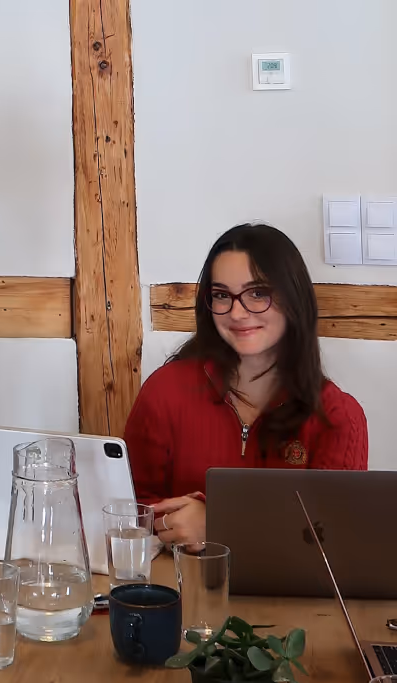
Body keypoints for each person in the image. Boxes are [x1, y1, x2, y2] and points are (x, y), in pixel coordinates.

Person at [124, 223, 368, 546]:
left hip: (284, 583)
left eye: (257, 293)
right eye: (222, 295)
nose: (237, 313)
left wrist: (219, 525)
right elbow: (129, 510)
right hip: (179, 577)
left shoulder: (338, 416)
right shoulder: (164, 391)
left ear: (294, 300)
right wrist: (172, 525)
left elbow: (335, 542)